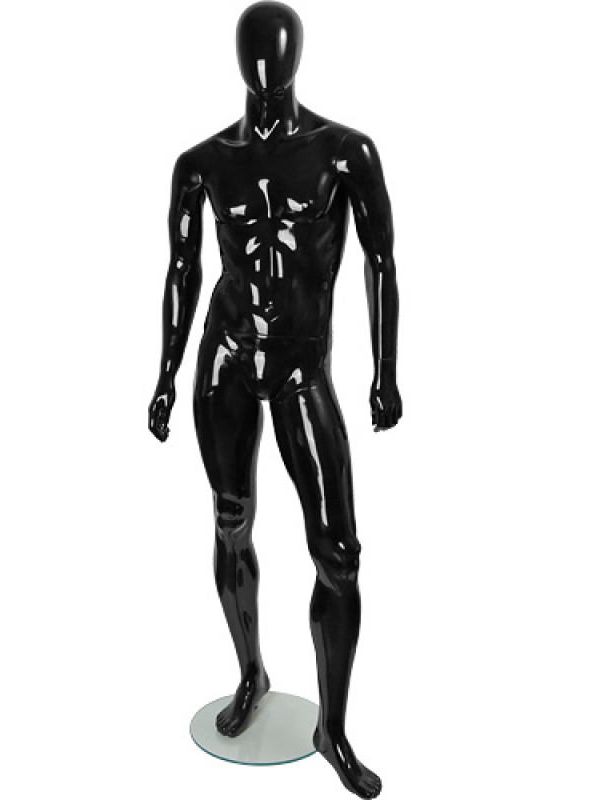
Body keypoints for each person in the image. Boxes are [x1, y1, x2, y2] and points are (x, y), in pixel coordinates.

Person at [147, 3, 400, 797]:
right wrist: (165, 373)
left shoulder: (344, 151)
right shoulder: (201, 162)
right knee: (232, 521)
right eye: (253, 50)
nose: (266, 63)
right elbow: (183, 270)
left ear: (296, 56)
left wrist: (386, 370)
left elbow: (382, 262)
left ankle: (333, 728)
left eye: (276, 49)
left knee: (339, 553)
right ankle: (250, 672)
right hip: (225, 358)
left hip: (302, 366)